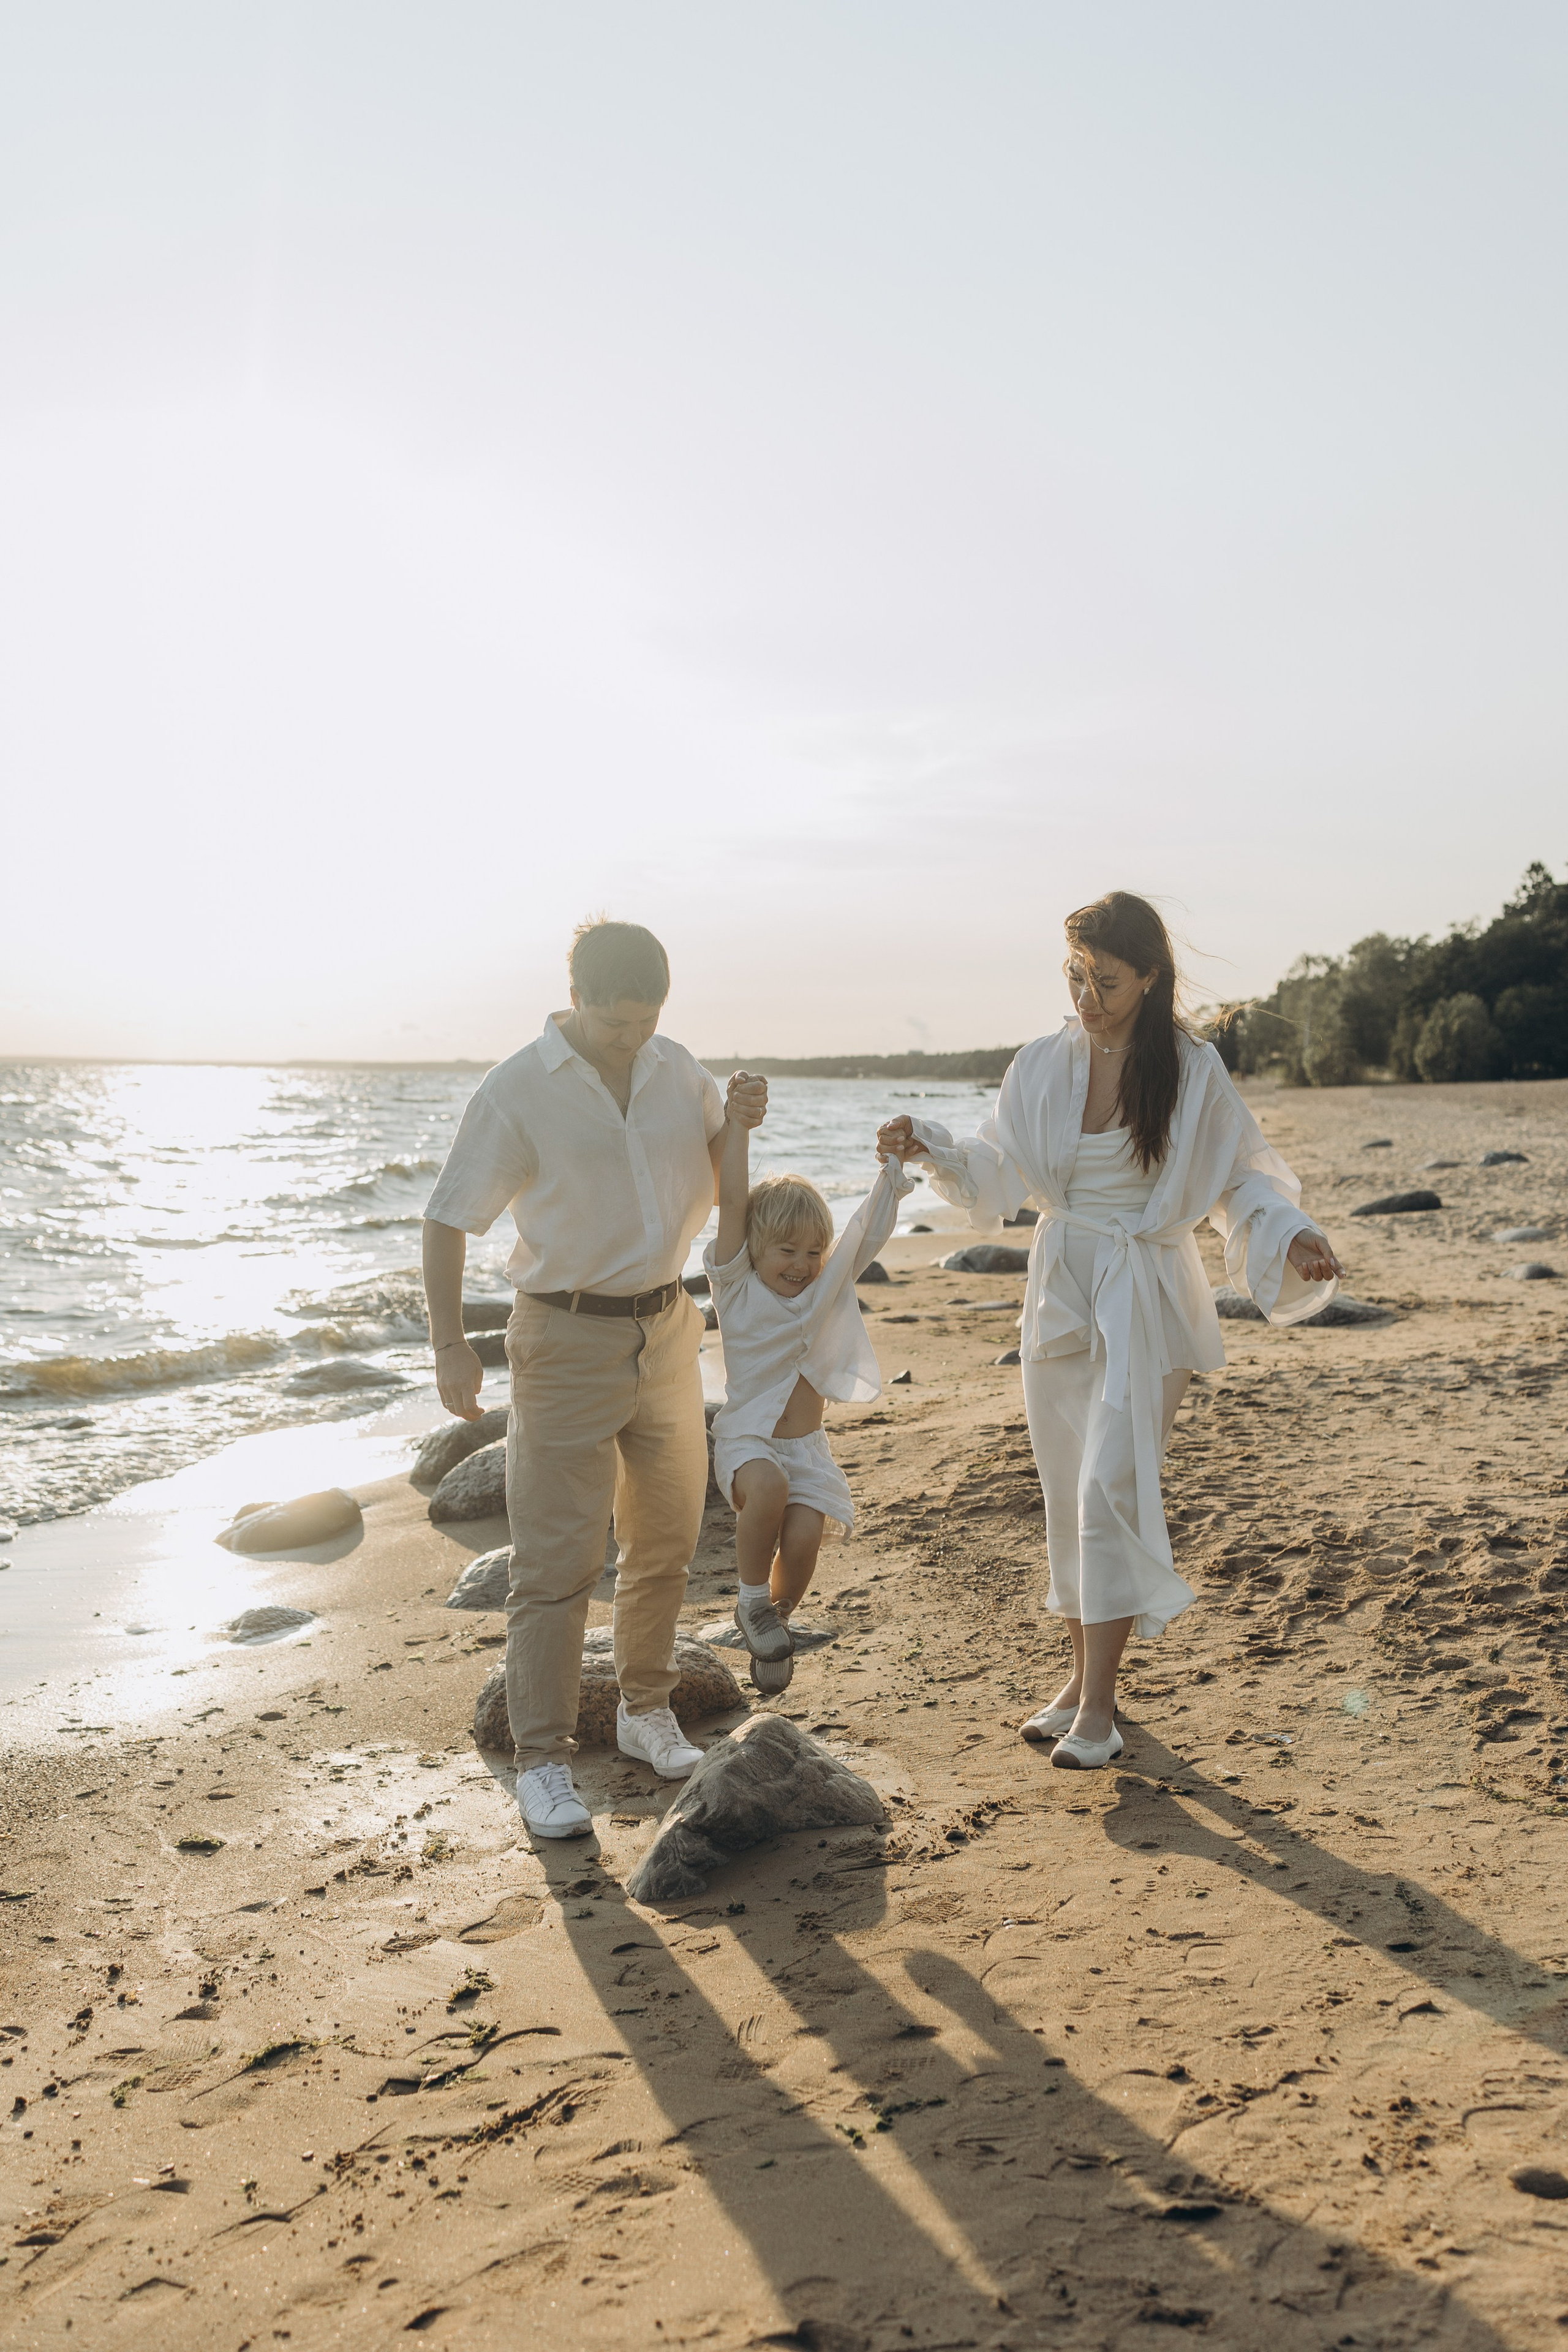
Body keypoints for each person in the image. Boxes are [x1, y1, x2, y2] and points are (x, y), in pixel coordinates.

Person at [878, 891, 1344, 1771]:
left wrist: (1293, 1233)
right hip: (1061, 1288)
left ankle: (1100, 1708)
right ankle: (1077, 1683)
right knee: (1066, 1493)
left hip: (1146, 1292)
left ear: (1152, 979)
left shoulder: (1192, 1069)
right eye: (1076, 976)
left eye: (1107, 981)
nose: (1087, 996)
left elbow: (1239, 1178)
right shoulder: (1042, 1064)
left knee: (1110, 1495)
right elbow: (996, 1173)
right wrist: (928, 1146)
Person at [421, 919, 767, 1839]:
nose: (635, 1037)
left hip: (666, 1330)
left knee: (664, 1540)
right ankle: (542, 1761)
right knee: (558, 1562)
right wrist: (451, 1343)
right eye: (619, 1022)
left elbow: (726, 1184)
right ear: (576, 998)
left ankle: (643, 1709)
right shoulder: (519, 1090)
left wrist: (738, 1124)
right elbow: (449, 1217)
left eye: (649, 1018)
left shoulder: (675, 1068)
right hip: (564, 1338)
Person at [706, 1100, 916, 1692]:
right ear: (754, 1250)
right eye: (786, 1251)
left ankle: (773, 1623)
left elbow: (863, 1233)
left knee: (803, 1540)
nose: (802, 1265)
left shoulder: (826, 1287)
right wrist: (740, 1128)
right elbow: (734, 1202)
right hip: (748, 1443)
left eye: (812, 1253)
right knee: (768, 1488)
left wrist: (890, 1174)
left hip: (808, 1451)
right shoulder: (736, 1288)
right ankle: (750, 1602)